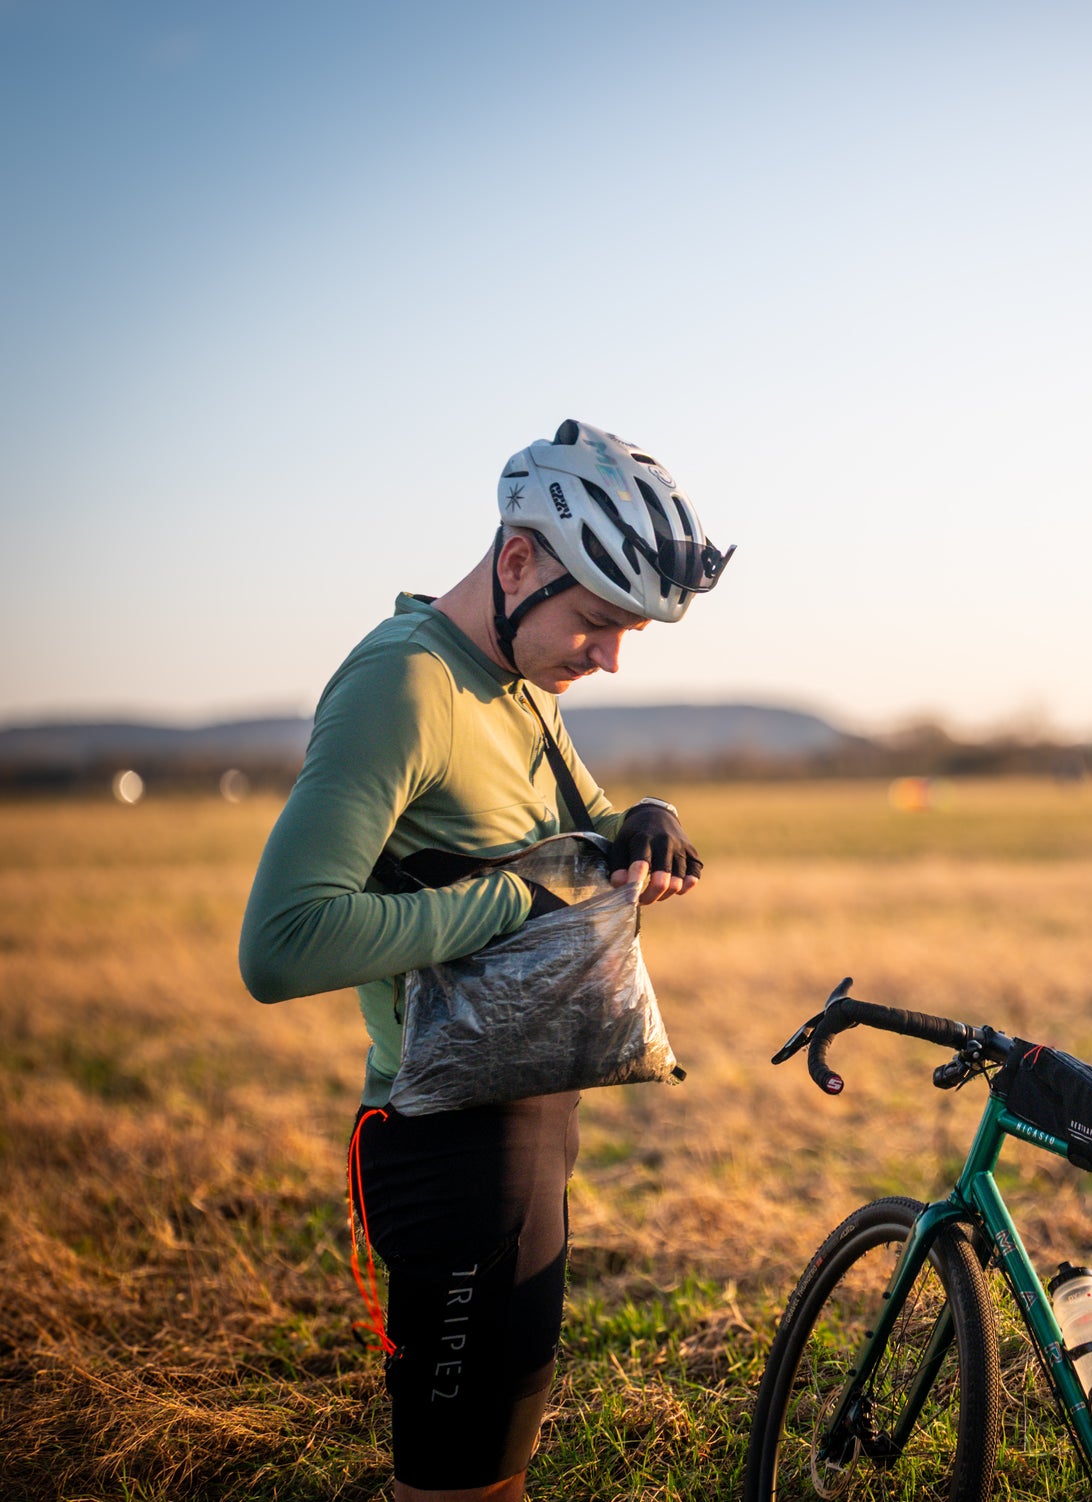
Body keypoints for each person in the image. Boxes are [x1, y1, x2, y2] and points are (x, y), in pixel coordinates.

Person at [239, 419, 733, 1502]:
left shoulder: (515, 684)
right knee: (458, 1488)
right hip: (445, 1149)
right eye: (597, 622)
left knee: (493, 1475)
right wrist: (512, 898)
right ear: (518, 561)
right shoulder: (403, 684)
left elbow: (574, 823)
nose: (607, 657)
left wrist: (641, 819)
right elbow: (279, 944)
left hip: (525, 1130)